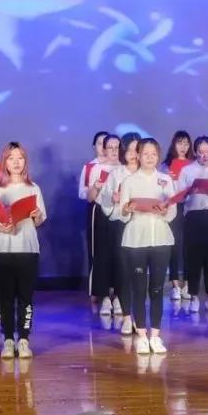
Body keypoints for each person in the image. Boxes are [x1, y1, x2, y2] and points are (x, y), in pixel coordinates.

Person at [0, 143, 47, 360]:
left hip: (27, 249)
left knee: (25, 297)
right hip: (2, 250)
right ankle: (8, 339)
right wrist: (1, 227)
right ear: (5, 162)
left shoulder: (33, 188)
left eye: (20, 158)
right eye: (11, 158)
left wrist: (37, 215)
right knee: (6, 298)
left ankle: (24, 339)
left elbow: (39, 220)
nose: (16, 162)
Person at [118, 137, 176, 355]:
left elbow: (172, 212)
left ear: (158, 156)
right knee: (139, 288)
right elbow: (122, 215)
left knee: (157, 289)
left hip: (161, 238)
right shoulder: (129, 181)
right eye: (145, 153)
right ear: (138, 156)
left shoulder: (166, 180)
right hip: (136, 239)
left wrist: (165, 211)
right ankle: (142, 335)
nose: (150, 157)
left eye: (154, 154)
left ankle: (156, 336)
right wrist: (127, 209)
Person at [94, 132, 140, 335]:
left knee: (139, 270)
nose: (133, 154)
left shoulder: (148, 174)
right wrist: (112, 199)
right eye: (129, 150)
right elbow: (105, 201)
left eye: (136, 150)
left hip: (143, 226)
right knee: (121, 267)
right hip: (121, 224)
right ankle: (122, 305)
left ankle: (138, 314)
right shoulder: (116, 174)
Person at [177, 136, 208, 314]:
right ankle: (193, 297)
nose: (204, 155)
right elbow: (179, 197)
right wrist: (190, 191)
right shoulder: (187, 171)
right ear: (195, 152)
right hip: (193, 217)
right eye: (201, 151)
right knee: (193, 258)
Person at [85, 134, 120, 315]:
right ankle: (104, 296)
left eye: (117, 147)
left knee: (120, 255)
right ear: (104, 149)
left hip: (120, 214)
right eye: (110, 147)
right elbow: (90, 197)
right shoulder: (96, 168)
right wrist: (97, 187)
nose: (114, 151)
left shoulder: (124, 168)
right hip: (101, 213)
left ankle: (119, 296)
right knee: (102, 255)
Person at [163, 130, 193, 307]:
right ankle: (175, 284)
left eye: (186, 143)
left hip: (189, 208)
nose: (183, 147)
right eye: (180, 143)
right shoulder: (166, 165)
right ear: (174, 144)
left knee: (189, 245)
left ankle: (187, 284)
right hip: (172, 208)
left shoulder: (193, 165)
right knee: (174, 245)